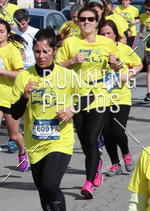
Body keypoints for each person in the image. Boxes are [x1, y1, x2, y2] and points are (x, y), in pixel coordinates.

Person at [10, 29, 91, 211]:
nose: (41, 56)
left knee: (49, 184)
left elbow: (89, 96)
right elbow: (15, 113)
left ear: (54, 51)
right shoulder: (25, 77)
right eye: (37, 51)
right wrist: (25, 96)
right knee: (43, 190)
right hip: (35, 143)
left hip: (60, 140)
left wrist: (73, 109)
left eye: (45, 51)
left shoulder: (66, 75)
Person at [56, 6, 121, 198]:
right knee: (85, 140)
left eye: (90, 19)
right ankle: (96, 163)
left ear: (97, 22)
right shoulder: (70, 42)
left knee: (92, 137)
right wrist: (72, 61)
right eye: (82, 19)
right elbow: (56, 66)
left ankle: (88, 182)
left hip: (99, 94)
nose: (86, 22)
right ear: (77, 22)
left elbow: (117, 67)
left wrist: (115, 63)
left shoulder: (106, 43)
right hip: (76, 94)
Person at [98, 20, 142, 177]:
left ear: (115, 34)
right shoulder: (95, 51)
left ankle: (126, 155)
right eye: (102, 34)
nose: (106, 36)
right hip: (102, 96)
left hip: (121, 96)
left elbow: (138, 64)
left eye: (108, 33)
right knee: (106, 132)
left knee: (117, 131)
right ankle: (115, 164)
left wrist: (129, 74)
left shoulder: (124, 49)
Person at [0, 20, 25, 170]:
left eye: (1, 31)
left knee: (13, 135)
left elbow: (20, 74)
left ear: (8, 34)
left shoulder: (12, 51)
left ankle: (22, 152)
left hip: (10, 98)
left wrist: (2, 72)